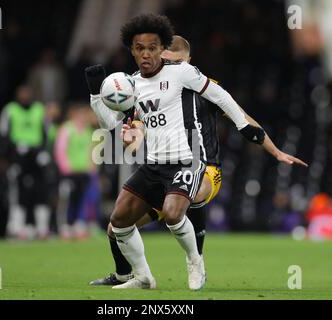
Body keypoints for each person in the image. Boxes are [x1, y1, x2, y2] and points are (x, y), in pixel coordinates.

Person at [89, 14, 307, 291]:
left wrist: (271, 149)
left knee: (175, 209)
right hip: (156, 167)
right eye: (141, 49)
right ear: (133, 51)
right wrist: (98, 96)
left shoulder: (189, 78)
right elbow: (117, 126)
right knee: (117, 224)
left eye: (156, 50)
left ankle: (196, 260)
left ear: (185, 60)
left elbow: (232, 106)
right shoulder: (134, 85)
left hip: (195, 163)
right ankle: (139, 277)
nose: (153, 57)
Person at [0, 84, 52, 239]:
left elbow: (47, 132)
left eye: (28, 92)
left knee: (41, 189)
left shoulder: (39, 109)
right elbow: (3, 134)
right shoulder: (10, 110)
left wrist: (43, 152)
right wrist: (8, 154)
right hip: (18, 155)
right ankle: (16, 226)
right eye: (22, 92)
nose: (25, 95)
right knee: (18, 191)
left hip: (36, 155)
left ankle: (42, 228)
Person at [54, 105, 101, 240]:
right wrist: (65, 168)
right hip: (70, 172)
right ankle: (65, 226)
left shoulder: (87, 131)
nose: (84, 118)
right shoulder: (67, 129)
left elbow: (91, 150)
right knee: (68, 199)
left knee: (81, 199)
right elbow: (60, 150)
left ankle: (77, 225)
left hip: (84, 172)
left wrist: (92, 167)